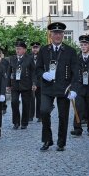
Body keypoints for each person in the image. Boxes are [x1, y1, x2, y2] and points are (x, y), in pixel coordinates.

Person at [36, 22, 79, 152]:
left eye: (60, 33)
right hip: (47, 88)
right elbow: (37, 68)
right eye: (55, 33)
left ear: (63, 35)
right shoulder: (44, 50)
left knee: (63, 116)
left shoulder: (70, 51)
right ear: (51, 35)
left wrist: (74, 89)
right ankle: (47, 139)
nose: (57, 35)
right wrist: (43, 74)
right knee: (43, 111)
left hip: (64, 88)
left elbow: (75, 72)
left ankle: (61, 142)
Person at [7, 40, 37, 130]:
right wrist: (8, 84)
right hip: (15, 85)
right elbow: (9, 72)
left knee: (26, 104)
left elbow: (34, 72)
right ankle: (16, 122)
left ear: (24, 50)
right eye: (16, 49)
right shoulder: (12, 58)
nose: (17, 50)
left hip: (26, 84)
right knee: (14, 102)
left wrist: (34, 83)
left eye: (19, 49)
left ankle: (24, 122)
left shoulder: (29, 58)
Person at [29, 42, 42, 122]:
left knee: (40, 99)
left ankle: (40, 116)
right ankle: (30, 116)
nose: (35, 49)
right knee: (31, 99)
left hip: (40, 81)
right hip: (30, 81)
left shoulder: (42, 57)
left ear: (39, 48)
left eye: (36, 47)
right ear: (31, 49)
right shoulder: (28, 57)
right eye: (34, 47)